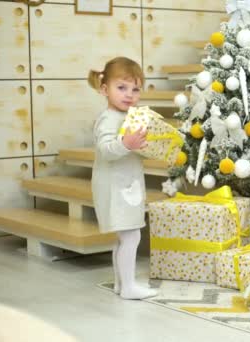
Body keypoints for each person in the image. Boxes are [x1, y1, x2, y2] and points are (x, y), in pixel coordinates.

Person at [88, 57, 157, 300]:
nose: (129, 95)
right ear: (104, 89)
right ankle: (128, 286)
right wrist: (125, 143)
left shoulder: (128, 117)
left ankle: (121, 284)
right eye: (122, 88)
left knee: (125, 236)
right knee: (131, 235)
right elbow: (106, 149)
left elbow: (130, 149)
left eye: (135, 89)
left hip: (125, 184)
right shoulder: (108, 118)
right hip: (116, 187)